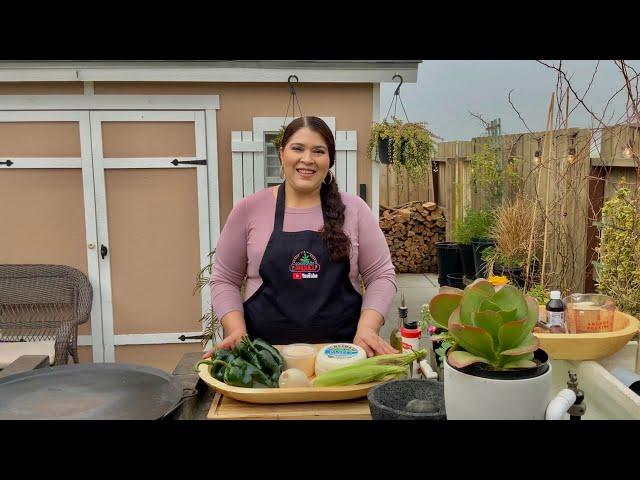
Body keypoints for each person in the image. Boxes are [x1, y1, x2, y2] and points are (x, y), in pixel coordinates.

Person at [204, 116, 397, 358]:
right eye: (298, 148)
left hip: (343, 357)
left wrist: (368, 328)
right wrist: (236, 330)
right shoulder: (248, 209)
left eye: (319, 151)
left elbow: (381, 275)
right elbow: (224, 278)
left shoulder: (355, 210)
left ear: (329, 160)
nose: (307, 159)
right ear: (282, 154)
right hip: (264, 359)